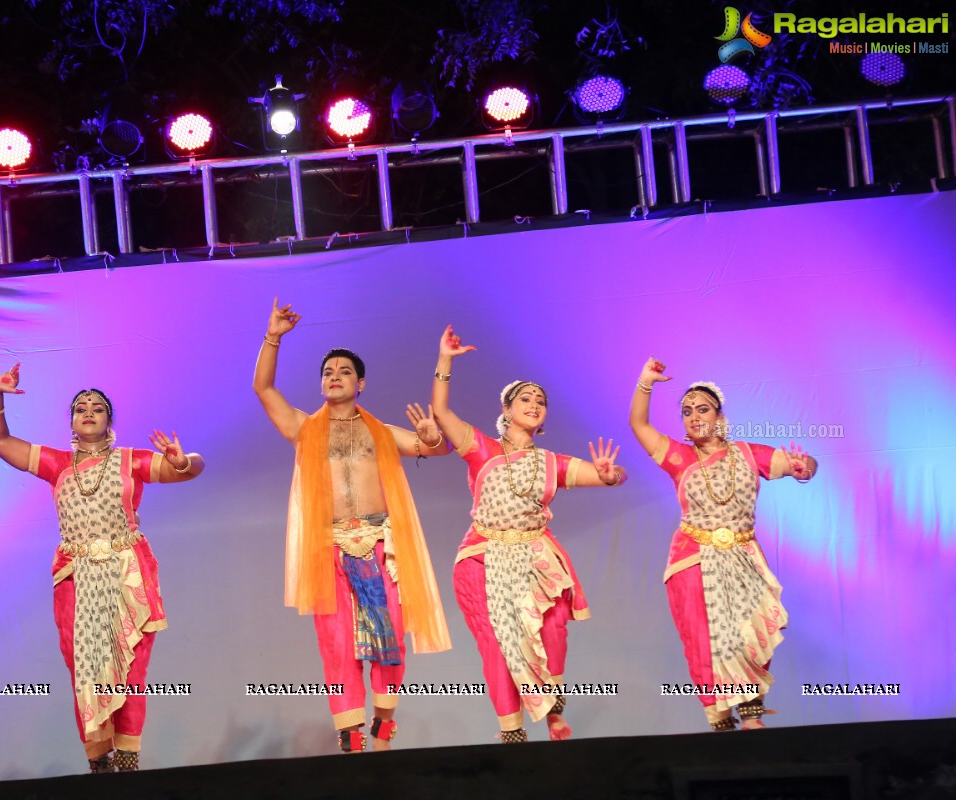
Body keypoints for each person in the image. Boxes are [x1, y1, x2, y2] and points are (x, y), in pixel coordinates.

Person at [253, 299, 451, 753]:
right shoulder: (304, 429)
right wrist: (274, 337)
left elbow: (438, 451)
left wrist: (430, 436)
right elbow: (263, 389)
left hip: (382, 544)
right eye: (327, 372)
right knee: (337, 643)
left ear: (360, 383)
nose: (334, 376)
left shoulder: (380, 431)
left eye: (343, 371)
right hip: (328, 548)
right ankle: (351, 735)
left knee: (389, 633)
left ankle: (383, 728)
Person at [0, 365, 204, 772]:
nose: (88, 412)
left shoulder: (130, 461)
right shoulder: (55, 463)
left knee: (133, 668)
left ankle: (128, 758)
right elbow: (0, 441)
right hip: (77, 579)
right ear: (70, 421)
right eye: (80, 408)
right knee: (84, 670)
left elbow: (193, 469)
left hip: (127, 575)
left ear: (109, 422)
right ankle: (99, 762)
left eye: (98, 408)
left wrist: (181, 459)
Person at [430, 325, 628, 743]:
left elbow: (607, 476)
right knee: (498, 644)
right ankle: (512, 732)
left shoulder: (551, 462)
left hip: (534, 557)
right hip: (483, 558)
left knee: (554, 626)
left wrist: (612, 476)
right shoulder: (480, 448)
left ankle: (553, 709)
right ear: (506, 407)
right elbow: (442, 413)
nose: (535, 404)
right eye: (526, 398)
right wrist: (445, 361)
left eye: (541, 401)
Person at [629, 357, 817, 731]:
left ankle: (751, 714)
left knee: (749, 635)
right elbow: (639, 424)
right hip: (693, 560)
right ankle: (719, 721)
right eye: (686, 412)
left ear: (719, 415)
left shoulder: (749, 454)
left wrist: (805, 467)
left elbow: (804, 462)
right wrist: (645, 383)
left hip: (743, 560)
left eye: (702, 409)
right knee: (703, 641)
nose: (694, 417)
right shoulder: (678, 458)